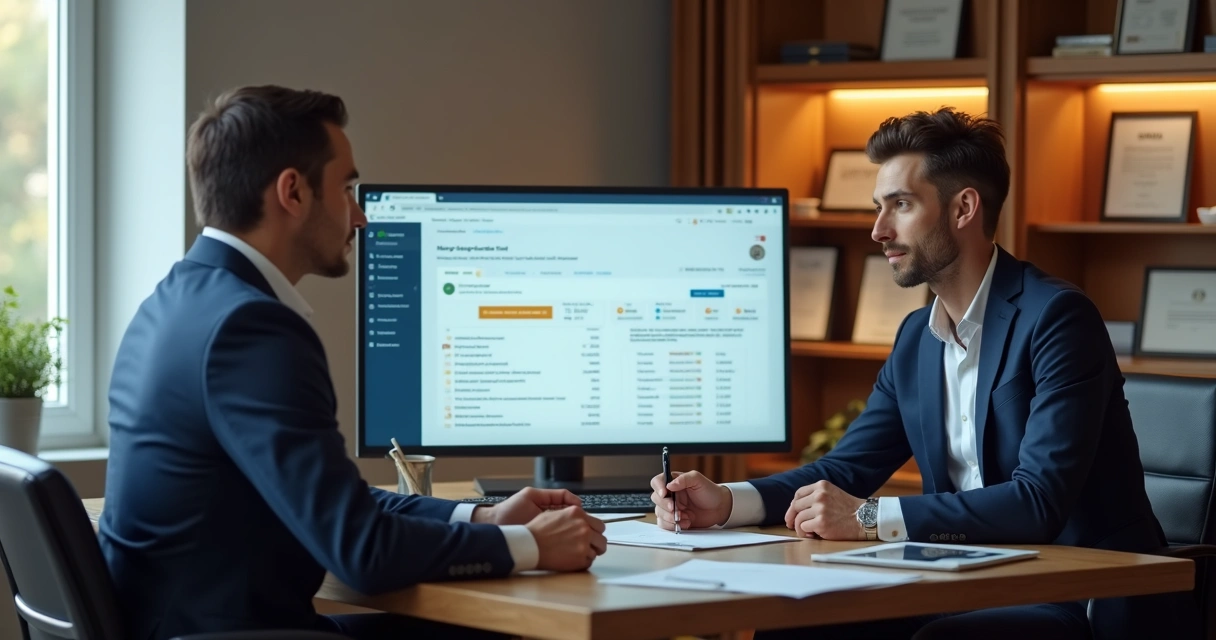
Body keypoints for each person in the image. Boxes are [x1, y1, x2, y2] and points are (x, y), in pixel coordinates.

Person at [649, 107, 1199, 640]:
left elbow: (1038, 501)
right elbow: (847, 469)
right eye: (877, 207)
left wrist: (866, 518)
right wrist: (727, 500)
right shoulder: (917, 336)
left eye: (900, 205)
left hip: (1082, 592)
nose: (878, 230)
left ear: (963, 209)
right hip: (964, 580)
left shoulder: (1057, 318)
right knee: (800, 627)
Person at [98, 85, 607, 640]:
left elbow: (329, 501)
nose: (360, 217)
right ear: (292, 191)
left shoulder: (175, 301)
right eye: (346, 188)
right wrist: (534, 545)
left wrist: (481, 517)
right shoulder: (252, 329)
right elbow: (362, 551)